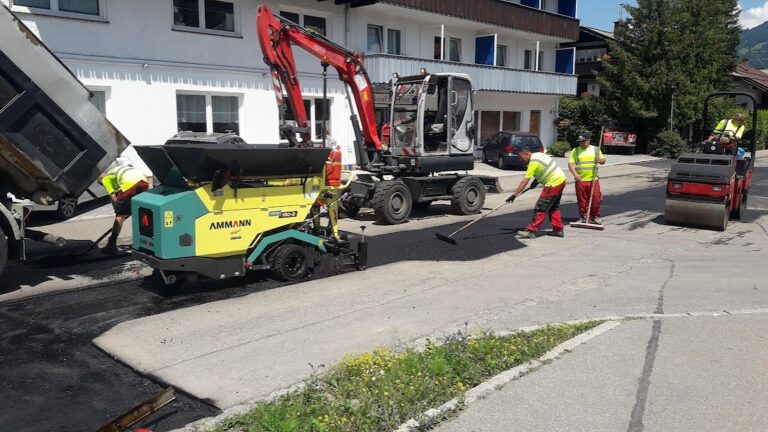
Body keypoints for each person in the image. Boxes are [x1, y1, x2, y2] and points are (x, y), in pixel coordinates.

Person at [508, 147, 568, 238]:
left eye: (520, 157)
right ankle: (558, 230)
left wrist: (514, 195)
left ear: (525, 154)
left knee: (540, 207)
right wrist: (535, 181)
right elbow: (543, 169)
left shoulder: (533, 162)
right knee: (553, 207)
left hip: (553, 184)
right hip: (561, 180)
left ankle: (531, 231)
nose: (520, 160)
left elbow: (524, 182)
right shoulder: (539, 155)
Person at [99, 160, 149, 254]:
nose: (103, 185)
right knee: (139, 211)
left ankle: (111, 244)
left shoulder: (105, 178)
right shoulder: (116, 171)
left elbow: (113, 197)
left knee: (120, 215)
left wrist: (119, 210)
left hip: (130, 183)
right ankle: (143, 242)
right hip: (144, 181)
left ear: (101, 179)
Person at [568, 132, 606, 225]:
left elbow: (603, 160)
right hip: (580, 180)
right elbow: (570, 164)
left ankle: (595, 217)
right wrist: (575, 175)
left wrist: (600, 160)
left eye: (583, 141)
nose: (581, 143)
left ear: (588, 141)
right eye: (580, 141)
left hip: (593, 179)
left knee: (596, 199)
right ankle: (584, 217)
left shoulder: (596, 149)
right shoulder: (575, 151)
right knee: (582, 200)